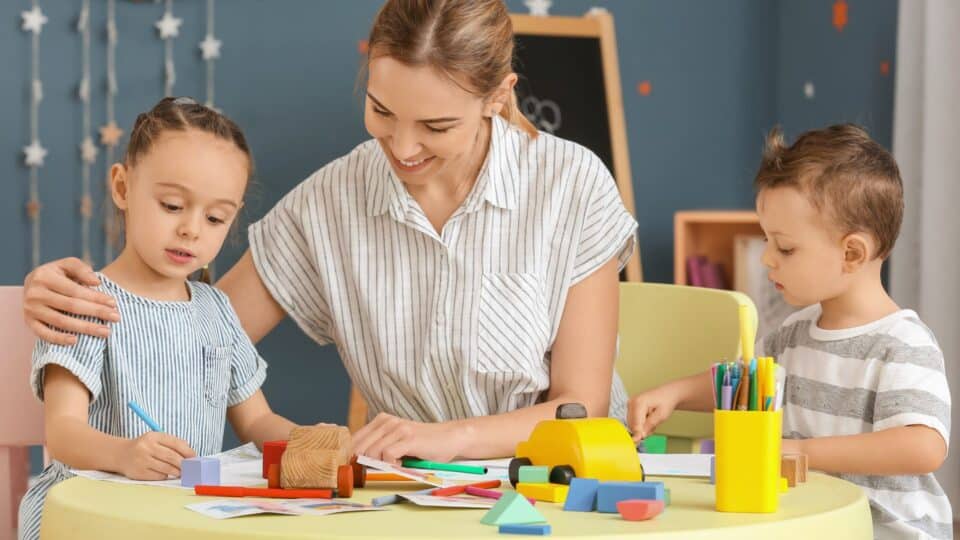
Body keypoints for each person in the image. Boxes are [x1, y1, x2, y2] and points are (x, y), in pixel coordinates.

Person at [22, 0, 637, 465]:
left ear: (498, 99)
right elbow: (187, 325)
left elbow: (578, 408)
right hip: (402, 492)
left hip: (557, 479)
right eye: (381, 110)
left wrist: (441, 438)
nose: (402, 147)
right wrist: (71, 293)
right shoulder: (333, 201)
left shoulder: (572, 185)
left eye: (437, 126)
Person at [627, 125, 951, 539]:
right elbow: (745, 386)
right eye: (766, 240)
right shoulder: (792, 334)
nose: (766, 259)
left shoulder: (902, 343)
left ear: (852, 253)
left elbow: (922, 447)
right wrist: (674, 394)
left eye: (785, 247)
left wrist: (803, 452)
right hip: (814, 521)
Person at [18, 97, 300, 540]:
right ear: (123, 187)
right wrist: (126, 454)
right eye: (172, 205)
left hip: (182, 517)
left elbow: (257, 422)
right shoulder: (86, 302)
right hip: (94, 518)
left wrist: (305, 442)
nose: (191, 228)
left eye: (214, 217)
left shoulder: (215, 310)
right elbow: (64, 432)